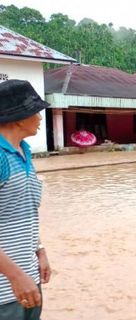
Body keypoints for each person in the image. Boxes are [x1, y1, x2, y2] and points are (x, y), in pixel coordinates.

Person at [0, 80, 51, 320]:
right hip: (5, 290)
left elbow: (24, 208)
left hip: (27, 281)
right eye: (36, 112)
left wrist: (39, 250)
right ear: (19, 118)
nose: (40, 118)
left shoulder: (24, 151)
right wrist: (14, 276)